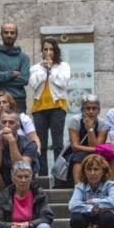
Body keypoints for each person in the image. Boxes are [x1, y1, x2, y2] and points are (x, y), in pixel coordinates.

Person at [27, 37, 72, 174]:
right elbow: (33, 84)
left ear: (55, 50)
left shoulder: (63, 66)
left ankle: (59, 174)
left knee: (58, 142)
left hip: (57, 107)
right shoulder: (35, 68)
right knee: (42, 143)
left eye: (51, 49)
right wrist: (43, 69)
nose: (48, 52)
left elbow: (62, 83)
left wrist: (51, 70)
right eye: (45, 49)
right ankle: (43, 175)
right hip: (39, 108)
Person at [0, 109, 41, 209]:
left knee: (22, 175)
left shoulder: (29, 144)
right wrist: (0, 144)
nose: (7, 125)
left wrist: (12, 143)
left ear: (18, 126)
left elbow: (22, 169)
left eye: (11, 122)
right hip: (2, 183)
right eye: (4, 122)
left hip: (23, 183)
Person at [0, 160, 54, 228]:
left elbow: (47, 216)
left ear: (31, 177)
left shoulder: (39, 194)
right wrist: (10, 226)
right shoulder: (4, 195)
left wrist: (29, 224)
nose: (23, 180)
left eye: (26, 176)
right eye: (19, 177)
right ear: (13, 178)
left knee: (44, 227)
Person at [68, 154, 114, 228]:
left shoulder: (111, 185)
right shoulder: (80, 186)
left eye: (96, 169)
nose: (92, 173)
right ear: (84, 172)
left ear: (103, 171)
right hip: (88, 221)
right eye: (89, 169)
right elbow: (72, 205)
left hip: (107, 223)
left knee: (107, 217)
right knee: (76, 218)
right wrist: (91, 208)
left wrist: (93, 201)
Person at [0, 22, 31, 110]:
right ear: (1, 34)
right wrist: (11, 74)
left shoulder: (24, 58)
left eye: (12, 33)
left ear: (16, 35)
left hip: (18, 101)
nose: (9, 35)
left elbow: (24, 80)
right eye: (6, 32)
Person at [65, 94, 111, 185]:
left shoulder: (103, 124)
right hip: (76, 153)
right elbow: (75, 146)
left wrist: (90, 128)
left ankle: (107, 186)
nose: (91, 111)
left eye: (94, 109)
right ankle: (78, 188)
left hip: (96, 153)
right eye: (88, 108)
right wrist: (95, 149)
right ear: (82, 110)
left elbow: (95, 147)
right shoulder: (74, 121)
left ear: (99, 110)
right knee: (78, 156)